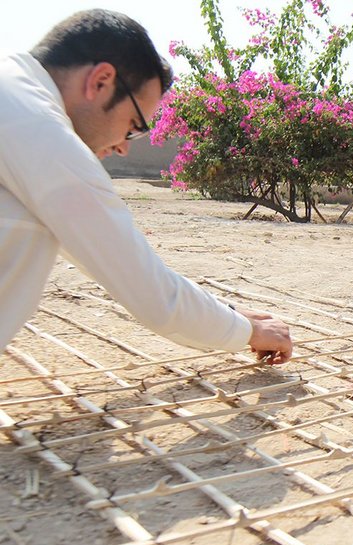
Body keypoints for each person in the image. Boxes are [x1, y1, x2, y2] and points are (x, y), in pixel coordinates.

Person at [0, 10, 292, 363]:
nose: (124, 146)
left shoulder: (14, 91)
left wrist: (232, 317)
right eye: (133, 125)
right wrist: (250, 332)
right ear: (101, 81)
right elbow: (148, 290)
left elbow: (105, 257)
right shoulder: (42, 131)